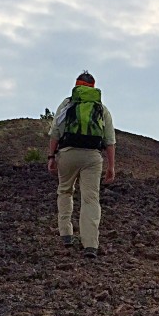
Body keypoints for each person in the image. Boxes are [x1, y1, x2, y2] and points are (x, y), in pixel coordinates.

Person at [47, 70, 116, 258]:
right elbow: (109, 140)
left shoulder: (67, 104)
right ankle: (90, 244)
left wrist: (51, 157)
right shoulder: (101, 108)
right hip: (92, 157)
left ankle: (66, 234)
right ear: (93, 87)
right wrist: (111, 167)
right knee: (90, 199)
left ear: (77, 85)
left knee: (65, 190)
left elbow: (55, 132)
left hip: (68, 153)